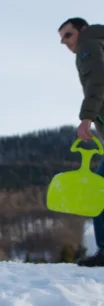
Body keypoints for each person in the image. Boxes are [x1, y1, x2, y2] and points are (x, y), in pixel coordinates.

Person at [58, 17, 104, 266]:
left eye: (68, 35)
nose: (65, 42)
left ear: (82, 30)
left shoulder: (88, 45)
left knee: (99, 190)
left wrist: (86, 118)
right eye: (62, 38)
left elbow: (98, 82)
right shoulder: (98, 42)